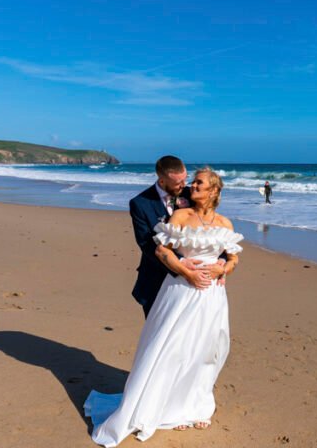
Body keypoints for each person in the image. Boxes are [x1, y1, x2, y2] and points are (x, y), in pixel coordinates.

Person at [86, 168, 243, 446]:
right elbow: (162, 250)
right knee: (174, 348)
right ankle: (170, 407)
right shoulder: (181, 216)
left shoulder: (225, 223)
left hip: (212, 298)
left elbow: (233, 258)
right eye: (192, 181)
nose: (192, 185)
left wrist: (222, 270)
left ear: (214, 191)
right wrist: (186, 271)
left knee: (206, 350)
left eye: (199, 182)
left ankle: (196, 405)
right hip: (182, 291)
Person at [126, 155, 224, 317]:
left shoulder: (193, 194)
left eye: (185, 179)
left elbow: (213, 227)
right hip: (157, 277)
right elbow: (146, 244)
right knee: (157, 334)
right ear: (163, 181)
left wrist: (222, 261)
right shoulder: (140, 203)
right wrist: (181, 263)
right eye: (178, 183)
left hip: (195, 283)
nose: (184, 185)